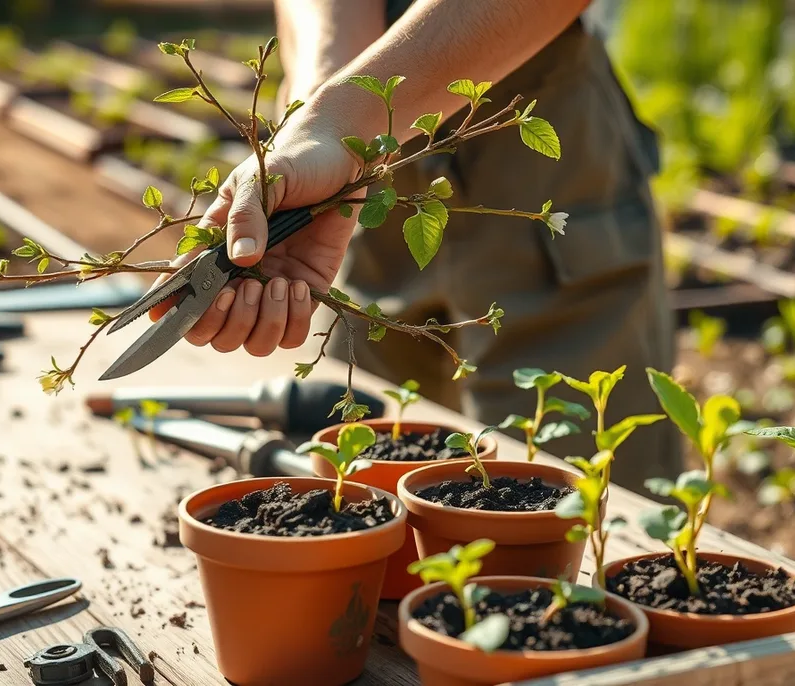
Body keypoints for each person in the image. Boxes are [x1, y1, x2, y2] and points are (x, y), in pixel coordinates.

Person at [151, 0, 681, 491]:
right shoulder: (342, 136)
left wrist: (338, 121)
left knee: (579, 495)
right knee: (352, 483)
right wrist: (318, 116)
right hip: (366, 163)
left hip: (538, 128)